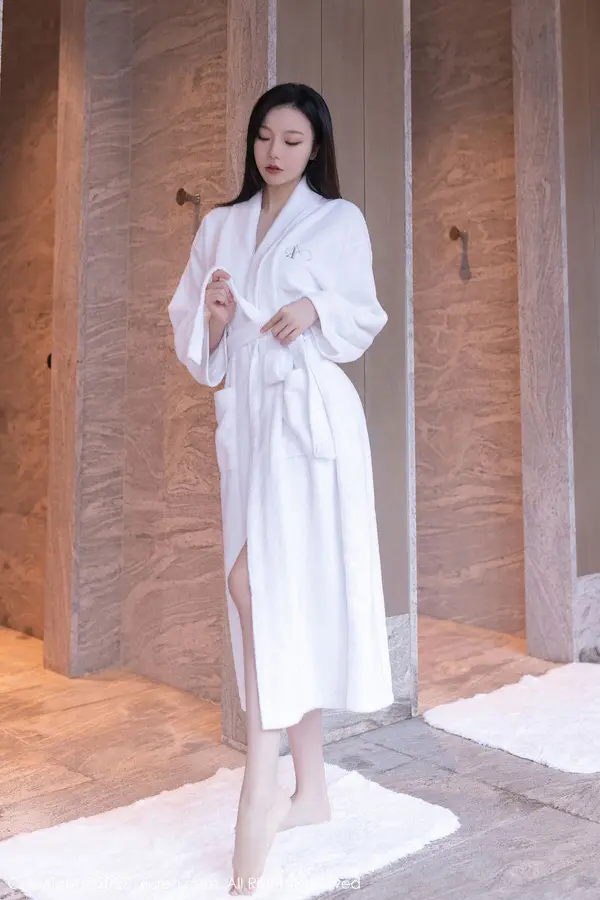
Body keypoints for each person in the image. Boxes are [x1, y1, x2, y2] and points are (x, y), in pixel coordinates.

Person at [168, 82, 394, 895]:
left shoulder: (338, 221)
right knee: (272, 592)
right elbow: (196, 337)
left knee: (257, 585)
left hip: (310, 426)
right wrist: (215, 317)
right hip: (252, 424)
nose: (274, 152)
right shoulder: (220, 225)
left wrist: (312, 305)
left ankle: (261, 786)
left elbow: (363, 314)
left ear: (315, 148)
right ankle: (314, 791)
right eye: (265, 136)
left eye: (292, 141)